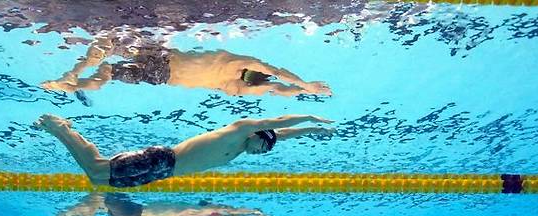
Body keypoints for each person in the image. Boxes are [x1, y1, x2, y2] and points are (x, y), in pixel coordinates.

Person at [34, 113, 335, 188]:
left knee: (99, 177)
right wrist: (310, 117)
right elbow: (278, 123)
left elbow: (282, 133)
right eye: (264, 147)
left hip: (164, 172)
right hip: (163, 159)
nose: (261, 153)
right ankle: (60, 128)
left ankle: (64, 130)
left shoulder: (245, 147)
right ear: (258, 134)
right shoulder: (240, 130)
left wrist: (313, 131)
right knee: (98, 170)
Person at [41, 37, 331, 97]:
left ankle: (72, 75)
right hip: (161, 76)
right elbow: (278, 87)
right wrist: (308, 90)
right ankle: (74, 85)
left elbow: (278, 75)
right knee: (108, 74)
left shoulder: (239, 62)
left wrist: (306, 85)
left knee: (110, 43)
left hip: (163, 58)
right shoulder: (236, 88)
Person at [49, 193, 269, 216]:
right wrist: (250, 214)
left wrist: (252, 213)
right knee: (100, 202)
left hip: (135, 213)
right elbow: (227, 213)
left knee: (98, 196)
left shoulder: (198, 212)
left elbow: (227, 212)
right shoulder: (196, 213)